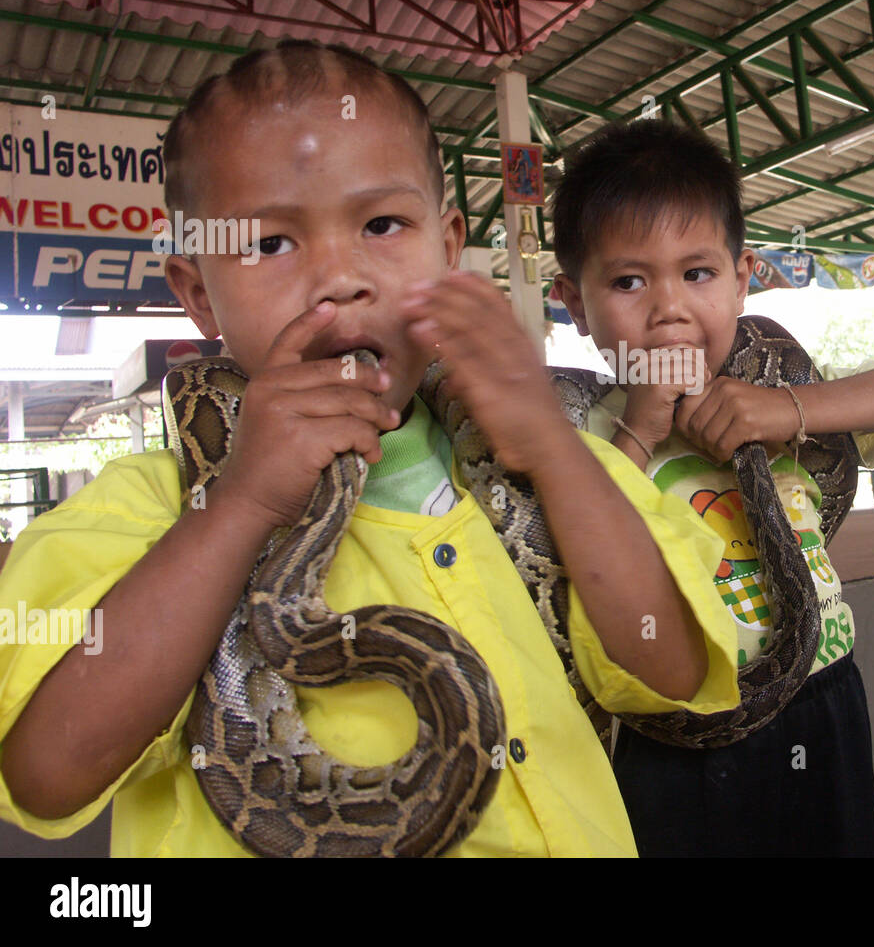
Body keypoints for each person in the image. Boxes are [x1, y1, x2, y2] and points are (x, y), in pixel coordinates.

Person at [0, 43, 739, 857]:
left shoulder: (557, 464)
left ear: (448, 247)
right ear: (197, 293)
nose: (339, 278)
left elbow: (670, 673)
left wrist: (554, 454)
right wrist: (240, 504)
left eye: (382, 225)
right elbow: (48, 770)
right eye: (271, 244)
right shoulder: (155, 503)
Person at [549, 118, 874, 856]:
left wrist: (790, 409)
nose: (670, 308)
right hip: (678, 737)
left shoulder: (780, 401)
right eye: (629, 280)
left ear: (743, 278)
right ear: (574, 301)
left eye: (698, 273)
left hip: (827, 697)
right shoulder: (582, 426)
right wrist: (640, 434)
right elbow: (583, 567)